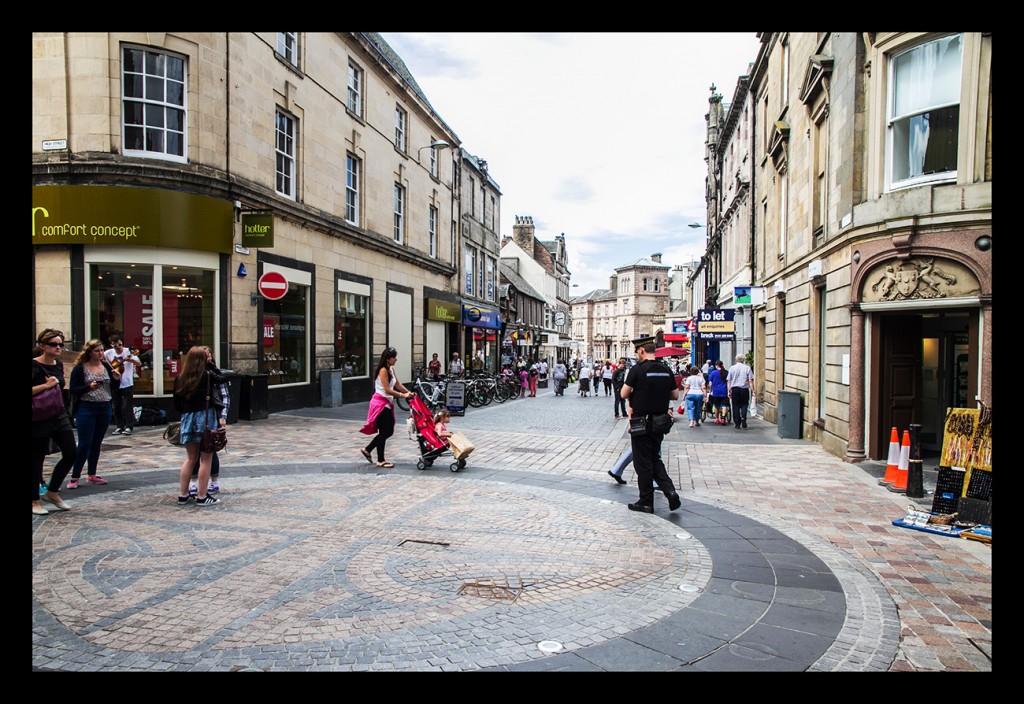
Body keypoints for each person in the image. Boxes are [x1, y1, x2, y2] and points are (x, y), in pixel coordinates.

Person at [619, 336, 681, 514]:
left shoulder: (637, 370)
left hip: (641, 423)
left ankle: (646, 501)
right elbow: (675, 395)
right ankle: (670, 491)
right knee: (655, 459)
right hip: (660, 423)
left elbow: (624, 394)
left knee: (643, 463)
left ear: (641, 351)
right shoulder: (665, 369)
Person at [173, 346, 227, 506]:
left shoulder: (180, 378)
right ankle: (202, 496)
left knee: (190, 458)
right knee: (206, 459)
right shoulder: (208, 376)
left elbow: (176, 405)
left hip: (188, 420)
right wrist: (211, 364)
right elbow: (222, 378)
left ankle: (183, 494)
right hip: (205, 420)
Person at [32, 329, 76, 515]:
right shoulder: (34, 366)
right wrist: (46, 385)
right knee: (36, 459)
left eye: (60, 344)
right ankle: (34, 500)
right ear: (42, 346)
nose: (58, 347)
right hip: (38, 417)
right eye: (53, 344)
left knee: (71, 452)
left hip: (58, 414)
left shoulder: (58, 364)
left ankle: (52, 491)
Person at [66, 339, 119, 488]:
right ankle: (75, 477)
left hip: (104, 407)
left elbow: (113, 388)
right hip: (86, 407)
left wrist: (116, 379)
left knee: (96, 443)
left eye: (102, 350)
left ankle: (92, 474)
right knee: (84, 443)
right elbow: (73, 389)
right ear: (89, 352)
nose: (101, 353)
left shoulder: (106, 366)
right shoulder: (80, 369)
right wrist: (88, 387)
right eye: (97, 351)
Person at [360, 347, 414, 469]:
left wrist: (409, 393)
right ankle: (380, 460)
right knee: (384, 431)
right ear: (388, 359)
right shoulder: (383, 370)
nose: (396, 359)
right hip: (380, 404)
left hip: (387, 404)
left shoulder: (391, 369)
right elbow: (387, 389)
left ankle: (367, 449)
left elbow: (397, 384)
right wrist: (402, 395)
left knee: (389, 431)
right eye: (394, 357)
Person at [189, 348, 228, 496]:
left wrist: (222, 415)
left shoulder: (213, 374)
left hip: (212, 416)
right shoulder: (192, 375)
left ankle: (214, 481)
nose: (209, 357)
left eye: (210, 354)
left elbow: (224, 395)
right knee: (195, 452)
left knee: (210, 449)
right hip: (196, 417)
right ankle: (193, 483)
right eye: (206, 355)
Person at [104, 335, 141, 436]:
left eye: (120, 345)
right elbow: (103, 360)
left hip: (127, 382)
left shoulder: (128, 351)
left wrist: (131, 360)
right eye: (116, 346)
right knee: (116, 406)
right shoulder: (108, 353)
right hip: (115, 383)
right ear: (112, 345)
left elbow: (139, 363)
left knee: (127, 406)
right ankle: (119, 426)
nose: (118, 347)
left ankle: (129, 426)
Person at [727, 354, 755, 429]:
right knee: (744, 404)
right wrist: (753, 391)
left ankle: (737, 423)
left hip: (735, 389)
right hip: (744, 389)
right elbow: (750, 381)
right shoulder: (747, 368)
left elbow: (729, 381)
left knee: (735, 406)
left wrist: (729, 391)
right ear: (743, 360)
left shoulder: (732, 368)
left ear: (736, 359)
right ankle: (743, 418)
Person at [681, 364, 708, 429]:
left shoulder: (689, 378)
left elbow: (686, 387)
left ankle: (691, 422)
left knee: (690, 408)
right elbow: (703, 388)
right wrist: (705, 395)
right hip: (699, 394)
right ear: (697, 372)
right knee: (698, 408)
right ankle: (697, 421)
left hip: (690, 394)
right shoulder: (701, 379)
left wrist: (684, 396)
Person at [708, 360, 729, 424]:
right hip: (724, 391)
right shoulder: (726, 372)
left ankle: (717, 419)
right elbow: (728, 382)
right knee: (724, 405)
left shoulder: (713, 373)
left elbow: (710, 383)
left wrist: (710, 390)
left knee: (716, 406)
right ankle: (723, 418)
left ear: (716, 366)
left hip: (716, 392)